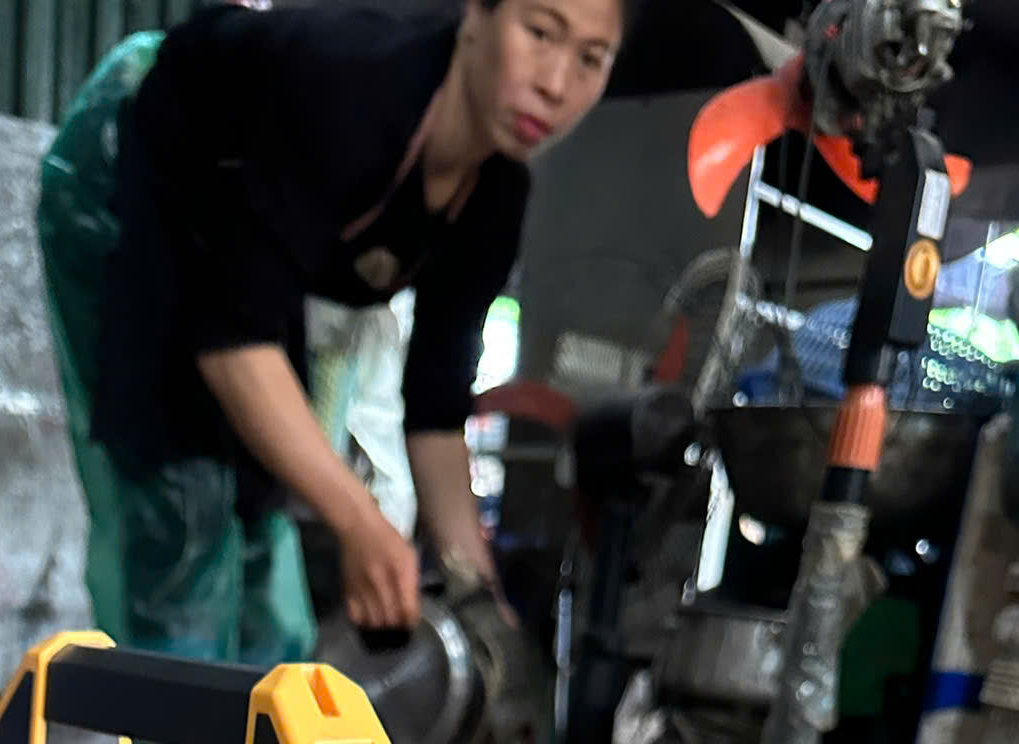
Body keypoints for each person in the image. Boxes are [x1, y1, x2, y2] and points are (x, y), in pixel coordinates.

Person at [37, 0, 624, 685]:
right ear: (477, 15)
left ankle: (263, 737)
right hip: (137, 161)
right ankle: (170, 741)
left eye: (591, 59)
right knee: (183, 507)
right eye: (541, 33)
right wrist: (360, 522)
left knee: (259, 520)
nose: (556, 83)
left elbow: (435, 414)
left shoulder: (495, 197)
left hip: (239, 255)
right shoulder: (354, 85)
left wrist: (479, 601)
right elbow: (232, 340)